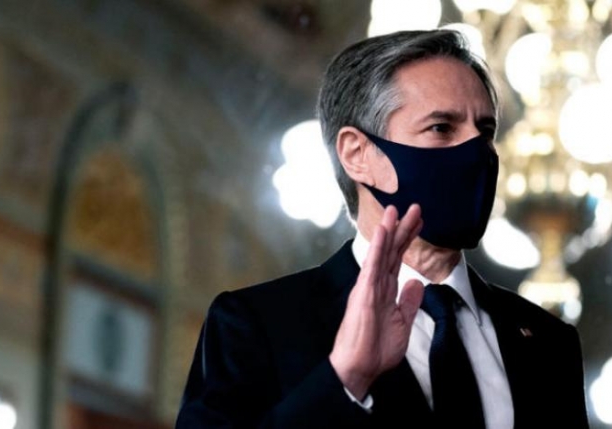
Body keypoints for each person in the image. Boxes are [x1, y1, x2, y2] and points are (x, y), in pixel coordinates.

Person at [176, 29, 589, 429]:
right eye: (442, 128)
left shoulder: (549, 342)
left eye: (485, 131)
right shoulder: (257, 324)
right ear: (357, 154)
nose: (477, 151)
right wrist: (345, 379)